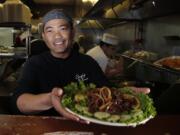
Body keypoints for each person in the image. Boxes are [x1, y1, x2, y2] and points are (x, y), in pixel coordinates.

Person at [11, 9, 150, 122]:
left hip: (84, 125)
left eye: (62, 28)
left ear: (72, 32)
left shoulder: (87, 62)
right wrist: (50, 99)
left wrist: (123, 94)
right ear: (44, 36)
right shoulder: (35, 63)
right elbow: (20, 102)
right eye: (50, 30)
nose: (57, 36)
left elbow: (106, 89)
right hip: (45, 126)